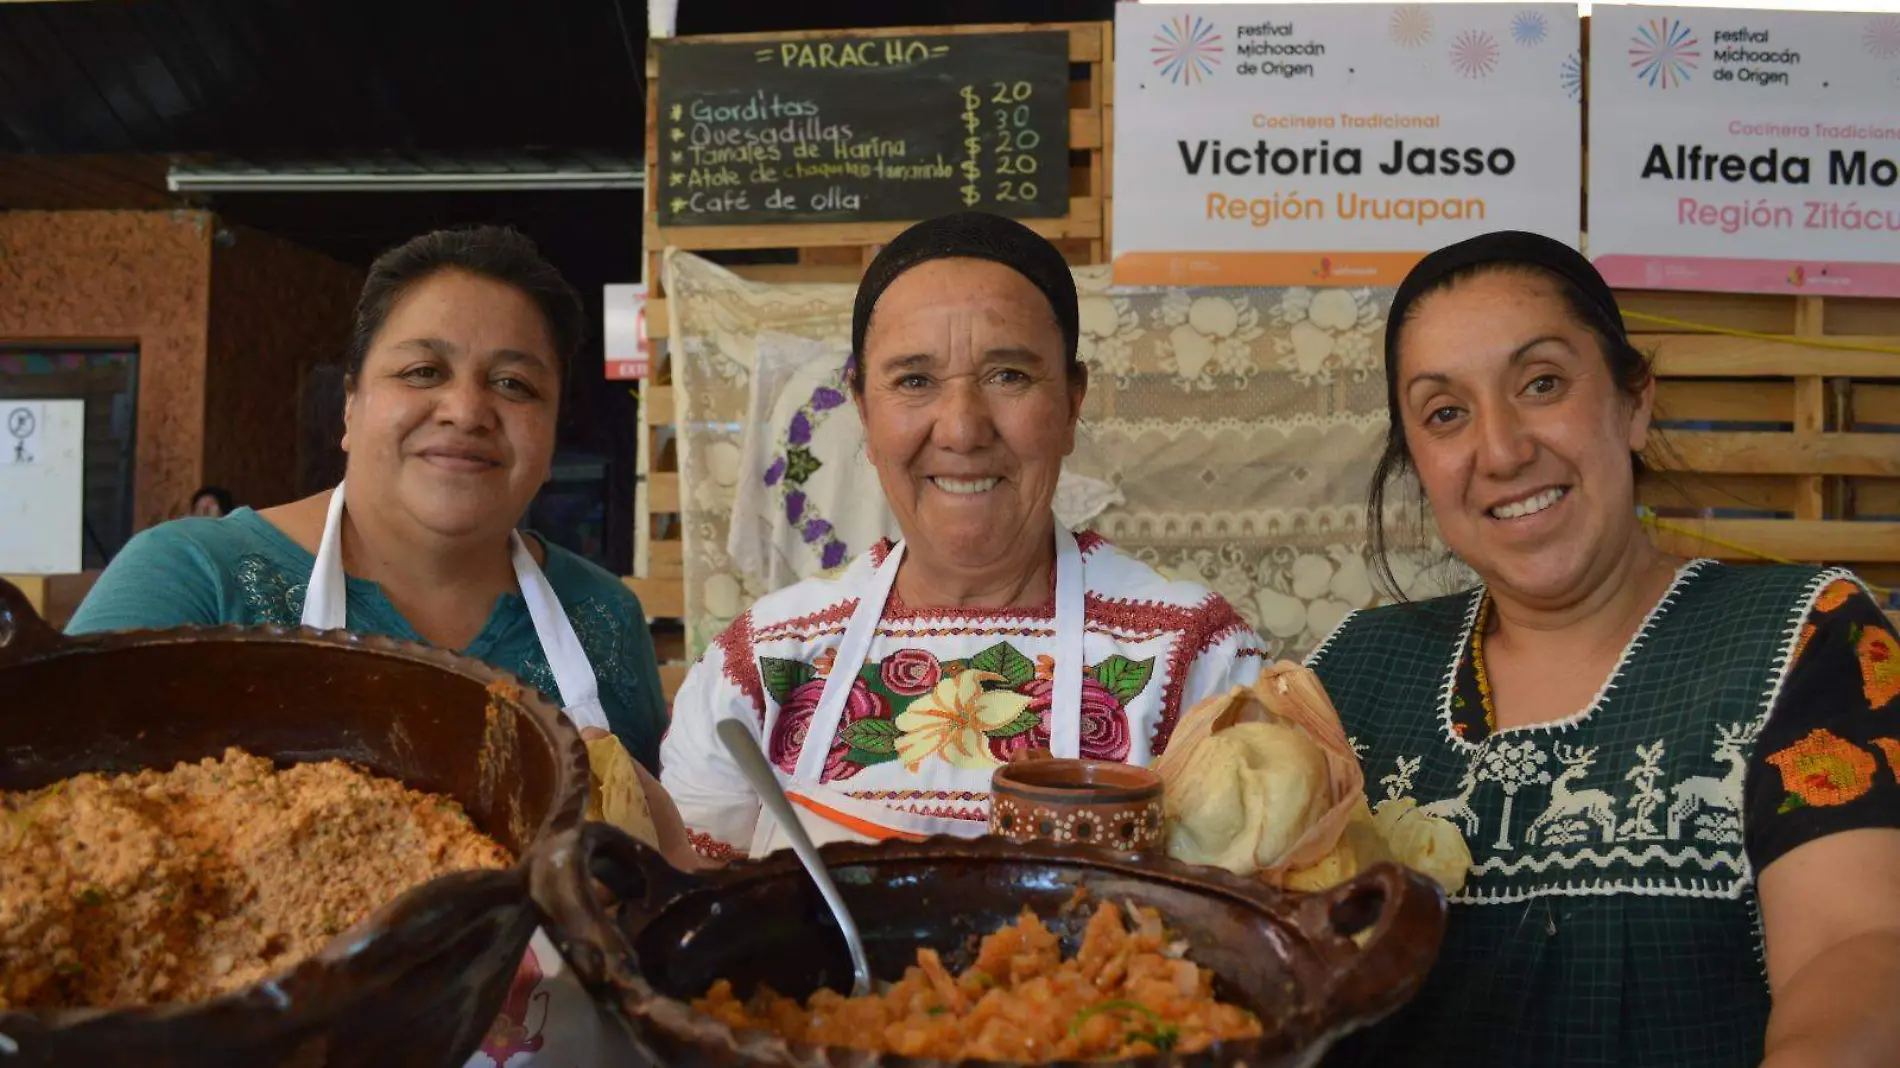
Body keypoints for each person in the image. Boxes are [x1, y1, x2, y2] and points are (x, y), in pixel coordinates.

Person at [68, 225, 675, 1068]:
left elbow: (649, 885)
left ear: (549, 430)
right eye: (422, 371)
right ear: (351, 406)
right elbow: (57, 854)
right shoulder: (195, 578)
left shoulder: (602, 616)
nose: (466, 409)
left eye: (513, 382)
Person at [1308, 231, 1900, 1067]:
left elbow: (1861, 949)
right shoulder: (1349, 676)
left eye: (1542, 383)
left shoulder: (1804, 634)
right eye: (1447, 413)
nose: (1505, 450)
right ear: (1420, 464)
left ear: (1634, 403)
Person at [661, 212, 1266, 861]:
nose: (961, 429)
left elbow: (1245, 926)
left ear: (1070, 403)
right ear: (864, 412)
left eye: (1008, 375)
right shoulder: (760, 665)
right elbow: (689, 909)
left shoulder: (1197, 657)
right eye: (915, 381)